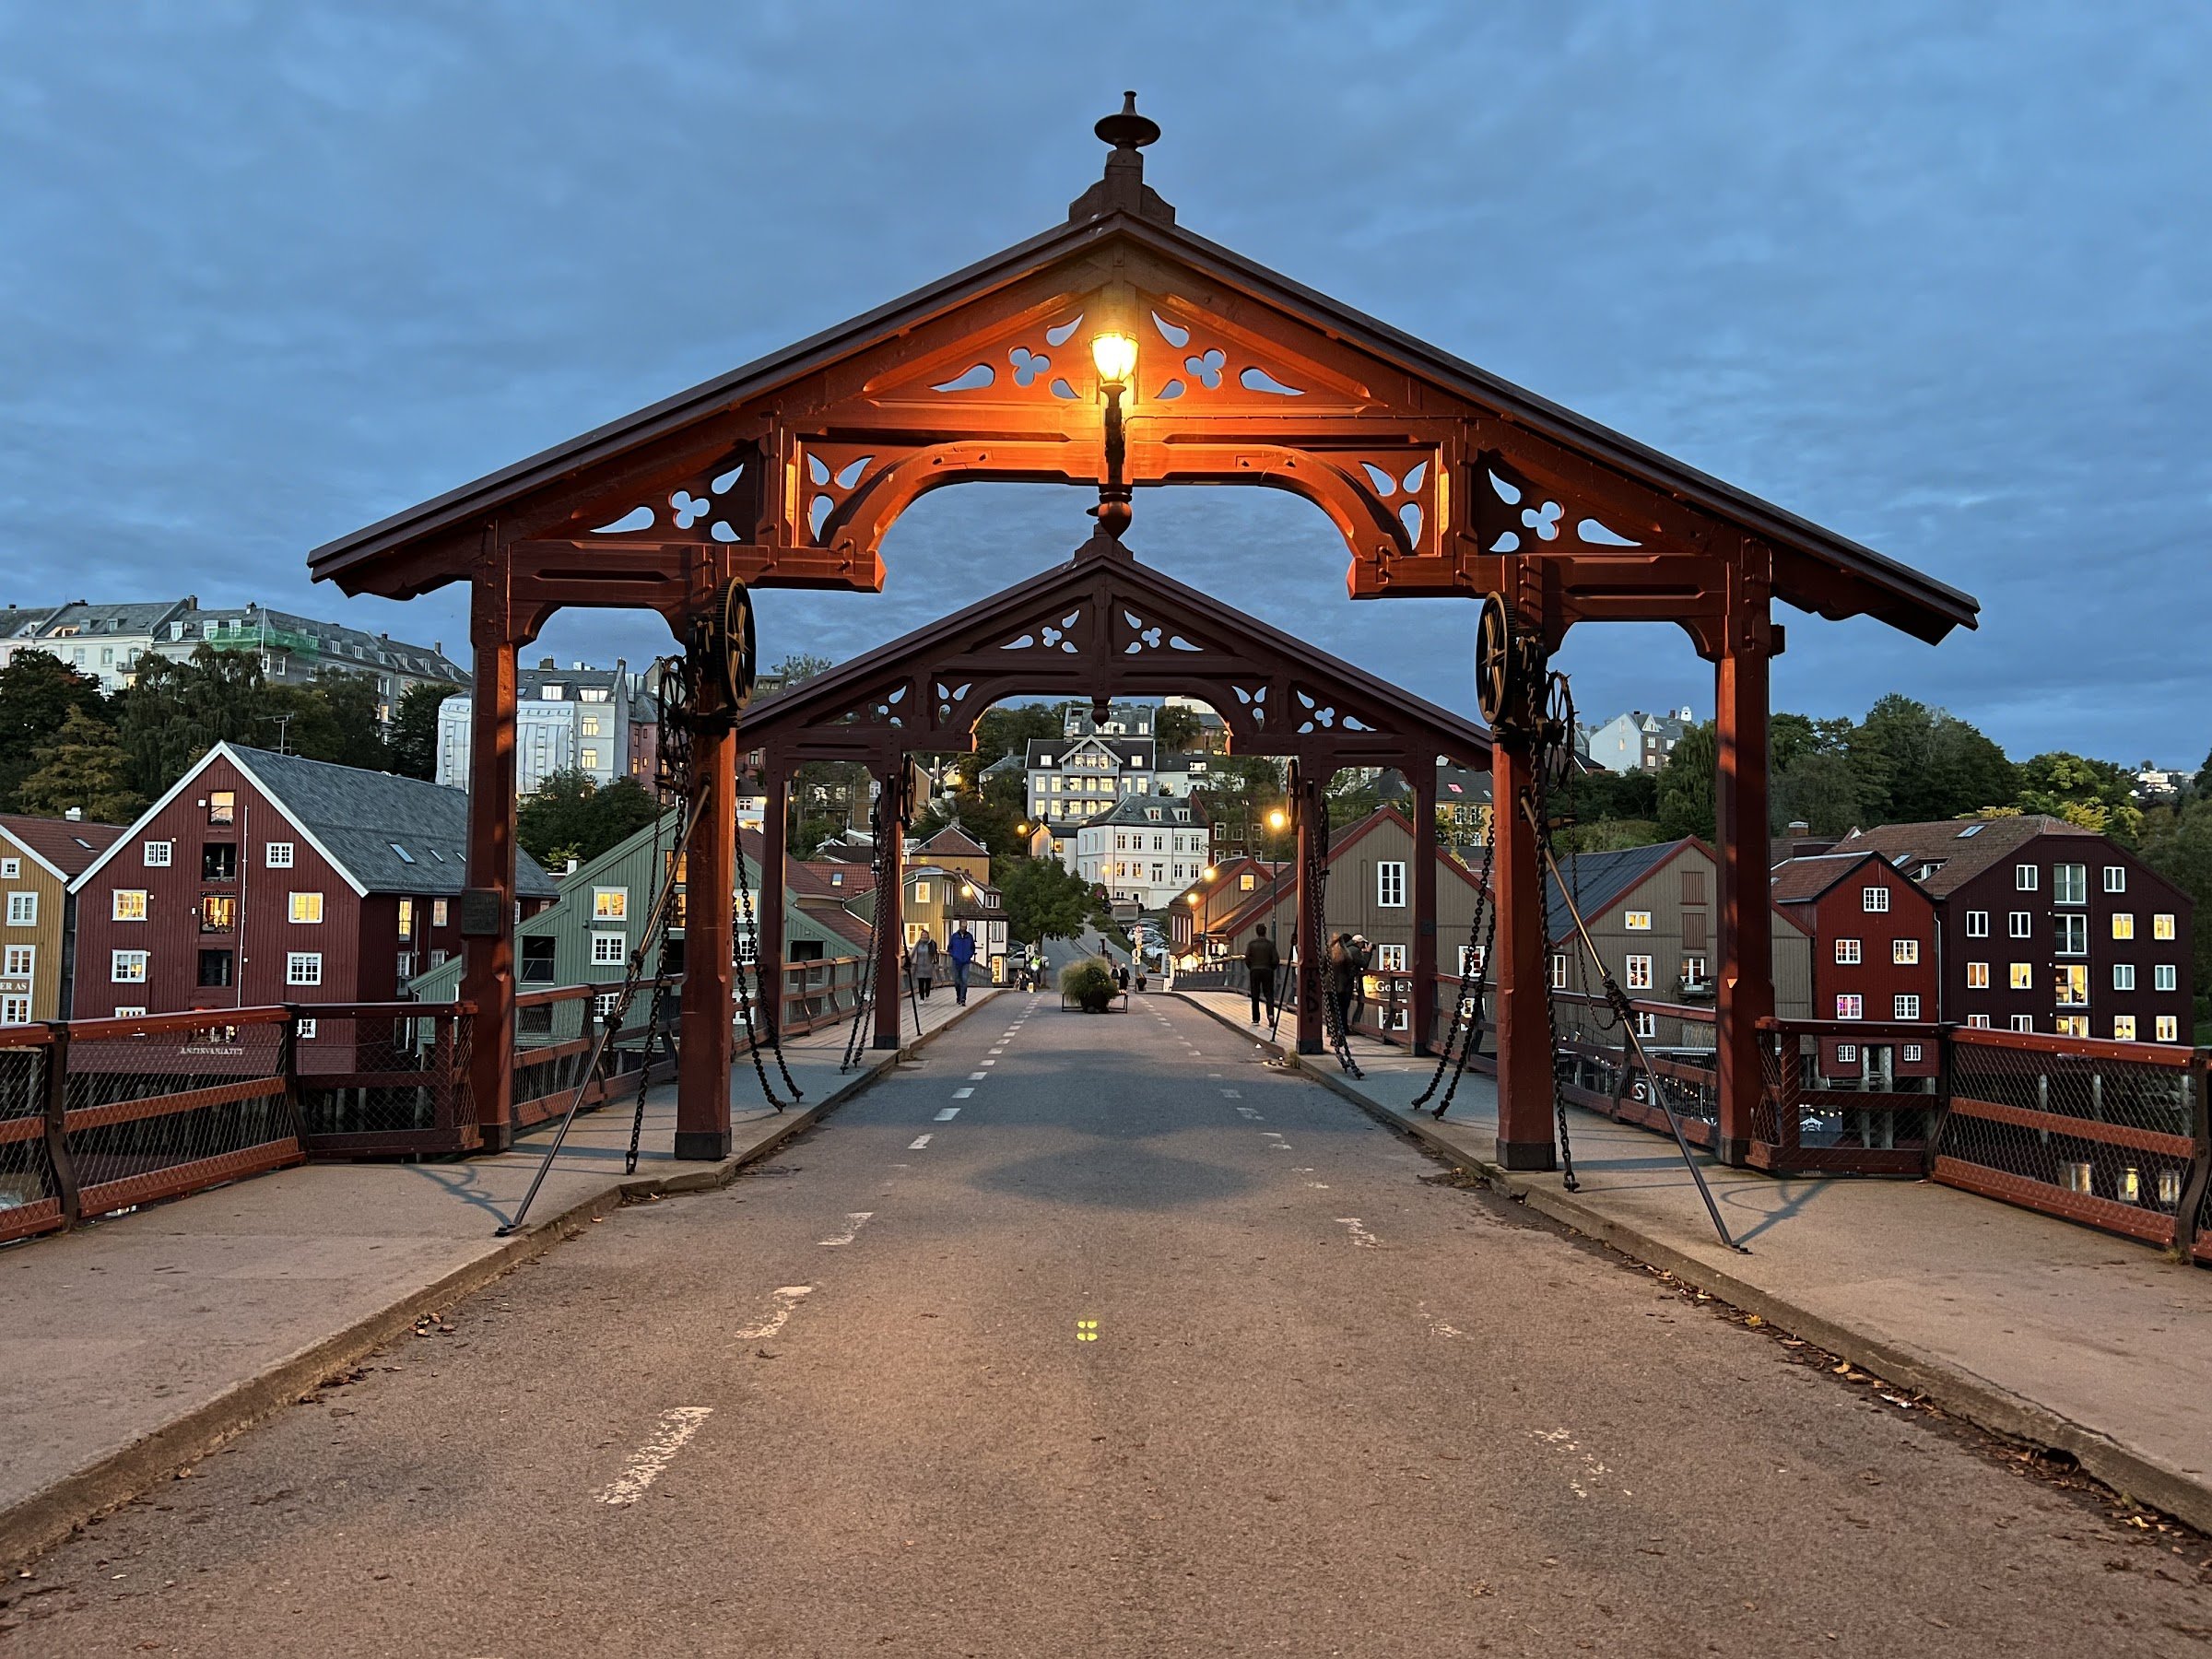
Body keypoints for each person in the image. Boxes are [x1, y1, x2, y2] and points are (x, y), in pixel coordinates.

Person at [1244, 924, 1279, 1025]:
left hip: (1255, 971)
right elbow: (1275, 959)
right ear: (1265, 932)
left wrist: (1252, 967)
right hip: (1267, 970)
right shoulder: (1270, 945)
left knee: (1255, 994)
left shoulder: (1251, 944)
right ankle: (1270, 1015)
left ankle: (1256, 1018)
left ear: (1257, 932)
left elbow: (1247, 958)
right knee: (1269, 994)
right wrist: (1271, 968)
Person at [947, 923, 976, 1006]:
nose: (964, 928)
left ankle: (963, 998)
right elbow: (949, 948)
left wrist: (969, 955)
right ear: (959, 926)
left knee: (964, 979)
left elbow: (972, 948)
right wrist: (954, 955)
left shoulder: (969, 937)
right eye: (962, 926)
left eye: (965, 926)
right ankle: (958, 996)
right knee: (957, 980)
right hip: (956, 961)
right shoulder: (954, 936)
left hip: (966, 962)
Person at [911, 930, 938, 1001]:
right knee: (921, 982)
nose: (923, 936)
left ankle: (927, 993)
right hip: (919, 965)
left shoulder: (931, 943)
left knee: (928, 981)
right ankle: (921, 998)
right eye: (922, 935)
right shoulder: (918, 944)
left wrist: (935, 962)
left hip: (928, 965)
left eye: (925, 935)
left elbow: (935, 953)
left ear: (928, 936)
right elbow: (913, 952)